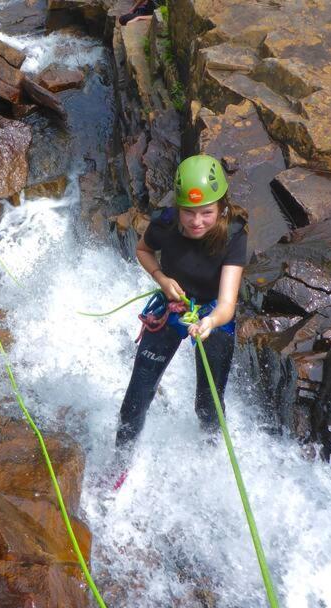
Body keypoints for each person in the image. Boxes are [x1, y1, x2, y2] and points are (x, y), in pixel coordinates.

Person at [116, 154, 248, 450]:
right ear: (179, 207)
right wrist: (162, 279)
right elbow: (143, 250)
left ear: (222, 207)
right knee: (136, 398)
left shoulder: (234, 235)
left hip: (212, 316)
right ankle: (119, 467)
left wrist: (210, 322)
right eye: (189, 212)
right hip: (172, 309)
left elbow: (227, 303)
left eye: (206, 212)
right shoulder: (166, 222)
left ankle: (211, 457)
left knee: (208, 405)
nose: (196, 221)